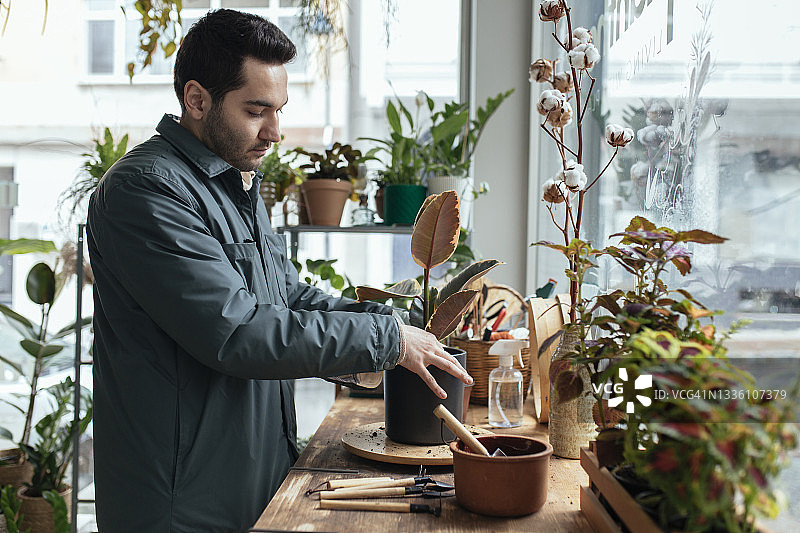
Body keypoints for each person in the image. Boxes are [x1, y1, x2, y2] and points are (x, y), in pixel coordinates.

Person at [86, 8, 471, 533]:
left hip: (252, 484)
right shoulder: (145, 191)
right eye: (256, 110)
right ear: (196, 100)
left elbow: (285, 298)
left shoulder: (232, 180)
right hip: (179, 505)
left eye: (279, 109)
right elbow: (238, 332)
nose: (275, 131)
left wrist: (388, 322)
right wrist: (385, 339)